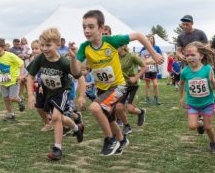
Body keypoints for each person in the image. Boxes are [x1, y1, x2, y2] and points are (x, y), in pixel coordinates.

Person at [69, 10, 164, 156]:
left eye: (91, 26)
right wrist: (73, 59)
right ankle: (122, 139)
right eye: (84, 27)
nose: (86, 30)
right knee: (108, 117)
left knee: (95, 108)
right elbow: (76, 72)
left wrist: (154, 54)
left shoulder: (112, 41)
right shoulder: (84, 47)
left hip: (119, 86)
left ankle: (110, 139)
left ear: (101, 28)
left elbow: (138, 35)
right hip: (102, 88)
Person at [26, 28, 85, 160]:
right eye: (42, 45)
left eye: (48, 45)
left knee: (56, 117)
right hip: (48, 91)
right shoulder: (40, 58)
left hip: (63, 91)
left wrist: (82, 95)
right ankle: (77, 128)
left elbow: (79, 77)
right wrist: (30, 95)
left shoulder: (63, 62)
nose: (44, 49)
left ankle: (57, 148)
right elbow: (30, 76)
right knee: (60, 118)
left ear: (58, 44)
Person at [178, 42, 215, 154]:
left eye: (192, 55)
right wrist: (181, 97)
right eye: (187, 56)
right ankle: (199, 123)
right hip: (192, 103)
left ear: (201, 56)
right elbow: (181, 84)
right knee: (192, 126)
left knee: (208, 127)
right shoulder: (185, 71)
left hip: (207, 103)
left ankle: (213, 142)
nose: (189, 58)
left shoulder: (207, 69)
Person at [0, 38, 25, 121]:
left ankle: (20, 100)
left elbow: (21, 63)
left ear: (3, 47)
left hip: (13, 81)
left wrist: (20, 75)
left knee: (12, 98)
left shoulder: (10, 55)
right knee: (6, 99)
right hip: (3, 82)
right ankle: (11, 114)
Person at [116, 45, 147, 135]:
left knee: (130, 109)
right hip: (123, 85)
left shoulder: (132, 56)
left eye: (116, 46)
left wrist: (136, 77)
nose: (114, 48)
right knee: (118, 108)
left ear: (123, 46)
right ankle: (127, 126)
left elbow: (144, 67)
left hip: (134, 85)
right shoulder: (115, 57)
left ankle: (141, 112)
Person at [28, 39, 53, 131]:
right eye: (32, 48)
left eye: (36, 48)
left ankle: (71, 118)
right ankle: (48, 123)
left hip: (51, 87)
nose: (34, 50)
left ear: (42, 48)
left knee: (51, 108)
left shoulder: (48, 59)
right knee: (38, 107)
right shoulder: (34, 61)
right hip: (39, 87)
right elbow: (30, 74)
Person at [141, 35, 163, 105]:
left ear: (153, 40)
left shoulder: (156, 48)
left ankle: (157, 98)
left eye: (151, 39)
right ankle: (148, 99)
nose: (150, 40)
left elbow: (160, 59)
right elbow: (143, 61)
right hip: (147, 70)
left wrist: (150, 61)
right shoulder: (143, 50)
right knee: (147, 85)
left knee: (155, 84)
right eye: (148, 39)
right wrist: (152, 60)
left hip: (154, 70)